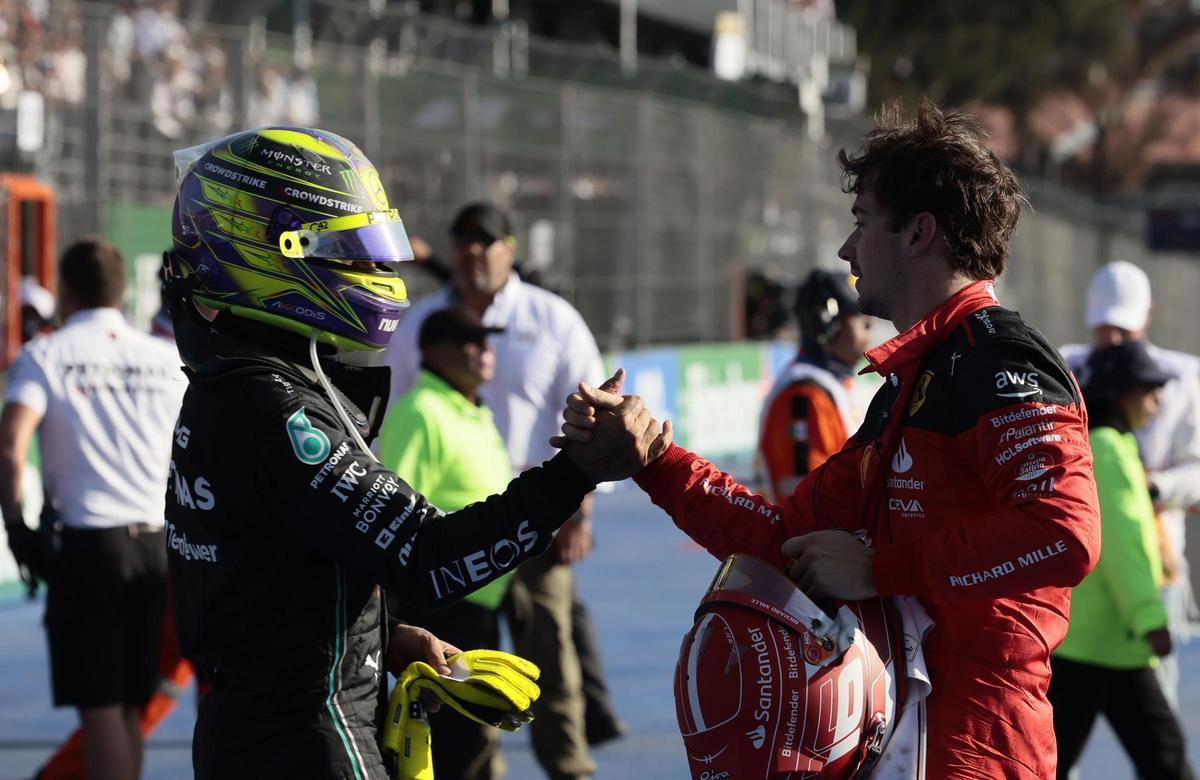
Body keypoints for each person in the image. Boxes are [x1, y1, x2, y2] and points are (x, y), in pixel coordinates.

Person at [560, 99, 1101, 778]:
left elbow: (1063, 532)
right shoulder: (910, 384)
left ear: (917, 234)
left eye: (862, 223)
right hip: (897, 739)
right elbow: (785, 540)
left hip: (979, 747)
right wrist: (655, 462)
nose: (848, 249)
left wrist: (883, 568)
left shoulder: (1001, 362)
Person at [162, 126, 662, 779]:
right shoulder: (273, 407)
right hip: (312, 740)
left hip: (268, 729)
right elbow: (426, 559)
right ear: (276, 256)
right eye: (349, 251)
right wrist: (575, 474)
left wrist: (382, 642)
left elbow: (271, 585)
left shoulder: (235, 384)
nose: (378, 274)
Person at [383, 201, 623, 779]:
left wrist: (580, 513)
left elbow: (593, 408)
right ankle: (481, 771)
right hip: (457, 533)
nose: (472, 251)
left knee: (552, 663)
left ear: (509, 249)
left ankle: (569, 770)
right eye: (462, 240)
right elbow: (400, 409)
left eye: (485, 240)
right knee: (469, 673)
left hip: (545, 521)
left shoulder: (552, 319)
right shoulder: (420, 325)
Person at [0, 238, 186, 780]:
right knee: (131, 705)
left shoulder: (47, 354)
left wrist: (16, 528)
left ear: (67, 287)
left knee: (101, 707)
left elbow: (12, 447)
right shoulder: (161, 357)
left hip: (90, 547)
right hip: (157, 545)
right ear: (121, 288)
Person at [377, 305, 514, 780]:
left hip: (477, 601)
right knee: (454, 746)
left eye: (487, 341)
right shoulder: (422, 411)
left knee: (477, 739)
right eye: (470, 342)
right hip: (442, 608)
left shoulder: (470, 407)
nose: (484, 351)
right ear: (434, 351)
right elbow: (394, 515)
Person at [1049, 340, 1195, 779]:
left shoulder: (1111, 444)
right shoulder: (1109, 449)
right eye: (1149, 389)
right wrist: (1149, 617)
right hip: (1104, 637)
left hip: (1101, 638)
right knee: (1161, 752)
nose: (1158, 400)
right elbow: (1122, 544)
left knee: (1056, 758)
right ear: (1122, 393)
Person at [1059, 259, 1200, 711]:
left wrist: (1149, 490)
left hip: (1153, 568)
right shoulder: (1066, 367)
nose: (1113, 339)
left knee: (1159, 717)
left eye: (1123, 328)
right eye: (1104, 328)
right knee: (1063, 728)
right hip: (1078, 577)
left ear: (1148, 316)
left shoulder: (1181, 380)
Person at [757, 268, 873, 501]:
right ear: (825, 324)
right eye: (858, 317)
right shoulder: (805, 395)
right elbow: (805, 497)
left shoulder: (830, 385)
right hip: (814, 536)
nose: (869, 325)